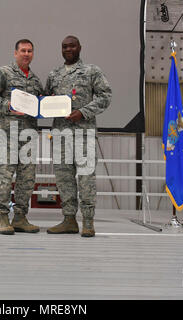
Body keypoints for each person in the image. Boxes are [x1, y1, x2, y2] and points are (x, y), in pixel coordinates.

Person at [45, 35, 112, 237]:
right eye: (64, 46)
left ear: (79, 47)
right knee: (64, 179)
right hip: (60, 136)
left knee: (86, 179)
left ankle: (88, 222)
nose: (68, 49)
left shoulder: (92, 71)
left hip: (84, 135)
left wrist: (83, 112)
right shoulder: (54, 74)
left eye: (72, 46)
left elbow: (105, 96)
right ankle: (69, 220)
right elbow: (46, 100)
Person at [0, 39, 43, 235]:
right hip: (7, 133)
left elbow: (40, 106)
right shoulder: (3, 72)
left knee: (27, 179)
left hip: (28, 136)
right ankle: (2, 217)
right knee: (4, 176)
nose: (26, 54)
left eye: (30, 51)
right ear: (15, 53)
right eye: (23, 50)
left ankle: (20, 217)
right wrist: (8, 106)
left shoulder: (35, 80)